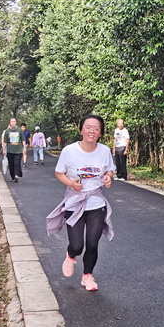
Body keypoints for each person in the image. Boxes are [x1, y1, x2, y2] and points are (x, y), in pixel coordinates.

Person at [46, 115, 115, 292]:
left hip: (96, 202)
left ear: (100, 133)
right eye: (88, 127)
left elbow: (109, 170)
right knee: (77, 246)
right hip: (74, 202)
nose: (92, 131)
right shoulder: (69, 151)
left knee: (92, 244)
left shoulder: (105, 151)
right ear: (81, 130)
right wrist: (71, 184)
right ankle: (71, 255)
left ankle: (87, 276)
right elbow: (59, 172)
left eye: (96, 128)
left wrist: (108, 177)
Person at [1, 118, 26, 183]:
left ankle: (16, 175)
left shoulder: (19, 130)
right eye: (12, 122)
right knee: (11, 164)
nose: (13, 123)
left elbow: (23, 140)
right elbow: (5, 142)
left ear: (16, 122)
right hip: (10, 151)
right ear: (10, 123)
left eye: (14, 121)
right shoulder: (7, 131)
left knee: (17, 163)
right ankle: (13, 176)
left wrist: (24, 148)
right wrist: (3, 149)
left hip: (18, 150)